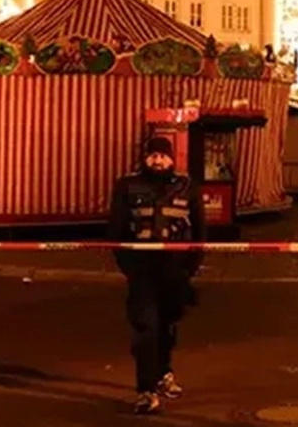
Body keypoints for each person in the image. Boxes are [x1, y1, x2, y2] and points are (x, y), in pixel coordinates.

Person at [107, 136, 206, 415]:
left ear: (172, 159)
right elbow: (115, 230)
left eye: (162, 156)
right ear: (145, 158)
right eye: (152, 156)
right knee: (145, 328)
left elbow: (200, 233)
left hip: (175, 271)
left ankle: (164, 372)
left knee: (167, 325)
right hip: (142, 271)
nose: (157, 161)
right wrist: (129, 267)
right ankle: (146, 390)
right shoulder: (128, 186)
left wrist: (190, 268)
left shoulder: (187, 187)